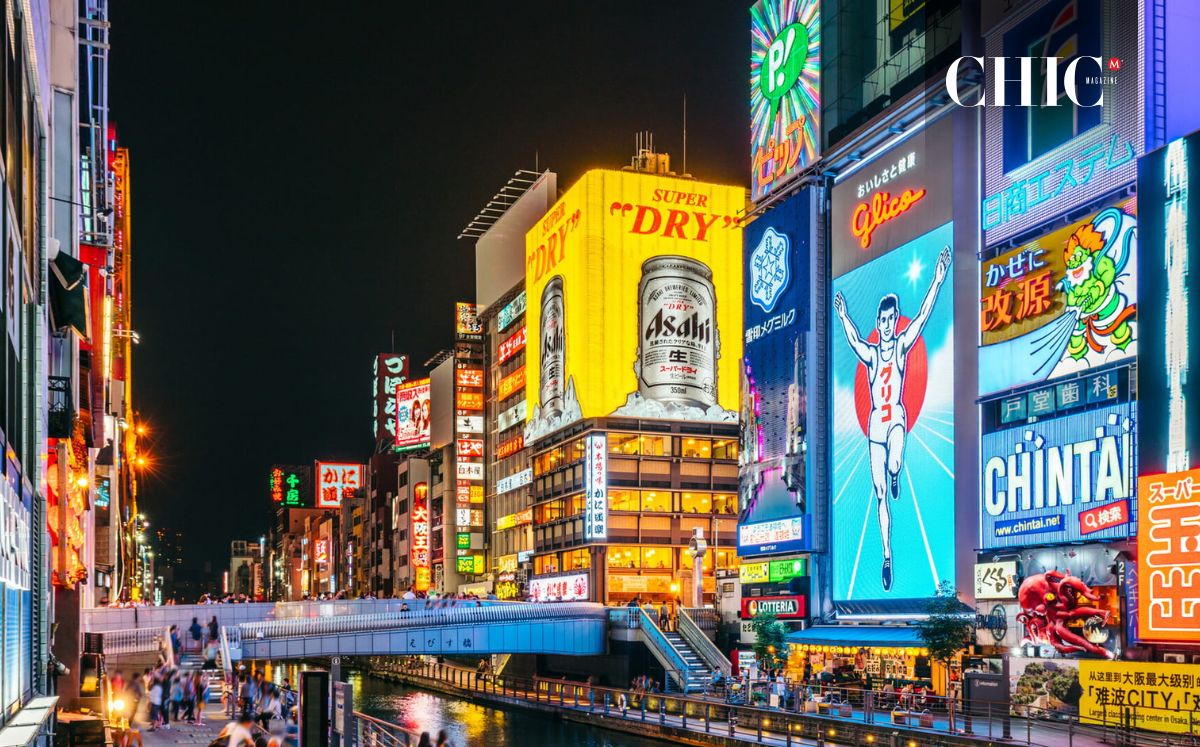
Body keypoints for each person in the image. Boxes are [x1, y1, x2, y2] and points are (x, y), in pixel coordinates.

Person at [832, 245, 951, 592]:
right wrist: (842, 316)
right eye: (882, 321)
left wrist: (937, 280)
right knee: (880, 494)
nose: (886, 325)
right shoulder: (871, 354)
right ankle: (886, 555)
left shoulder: (900, 347)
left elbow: (924, 317)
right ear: (877, 322)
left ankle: (897, 471)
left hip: (895, 418)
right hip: (874, 427)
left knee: (895, 462)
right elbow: (853, 340)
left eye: (891, 319)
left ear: (895, 318)